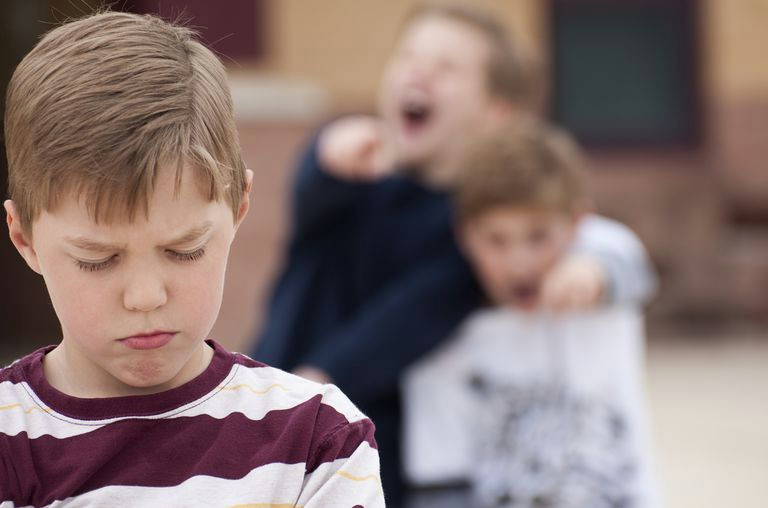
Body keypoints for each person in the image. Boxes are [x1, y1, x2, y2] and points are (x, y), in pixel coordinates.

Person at [252, 3, 655, 504]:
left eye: (447, 68)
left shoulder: (483, 231)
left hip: (366, 449)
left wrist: (329, 376)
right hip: (270, 400)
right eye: (408, 56)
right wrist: (325, 154)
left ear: (497, 112)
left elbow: (413, 313)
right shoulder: (357, 181)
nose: (419, 72)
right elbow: (308, 210)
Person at [0, 11, 383, 507]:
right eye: (98, 258)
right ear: (25, 238)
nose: (145, 297)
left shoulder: (318, 439)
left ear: (238, 207)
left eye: (184, 250)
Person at [402, 121, 660, 507]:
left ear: (576, 225)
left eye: (538, 236)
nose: (518, 262)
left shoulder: (602, 290)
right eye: (496, 240)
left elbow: (630, 261)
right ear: (464, 235)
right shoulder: (445, 339)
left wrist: (592, 270)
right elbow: (440, 484)